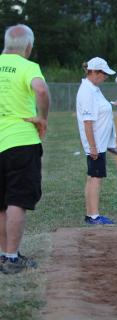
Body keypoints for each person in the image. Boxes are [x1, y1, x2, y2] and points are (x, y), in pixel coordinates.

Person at [0, 24, 50, 274]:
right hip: (20, 141)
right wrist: (42, 117)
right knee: (17, 200)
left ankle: (3, 254)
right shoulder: (28, 66)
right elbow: (40, 89)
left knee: (1, 203)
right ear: (28, 47)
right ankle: (11, 258)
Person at [76, 57, 116, 225]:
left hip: (99, 142)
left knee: (93, 177)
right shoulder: (87, 91)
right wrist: (92, 146)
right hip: (96, 144)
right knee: (95, 178)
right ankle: (93, 215)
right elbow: (87, 122)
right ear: (93, 72)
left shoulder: (93, 88)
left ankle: (91, 214)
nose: (105, 76)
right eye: (103, 73)